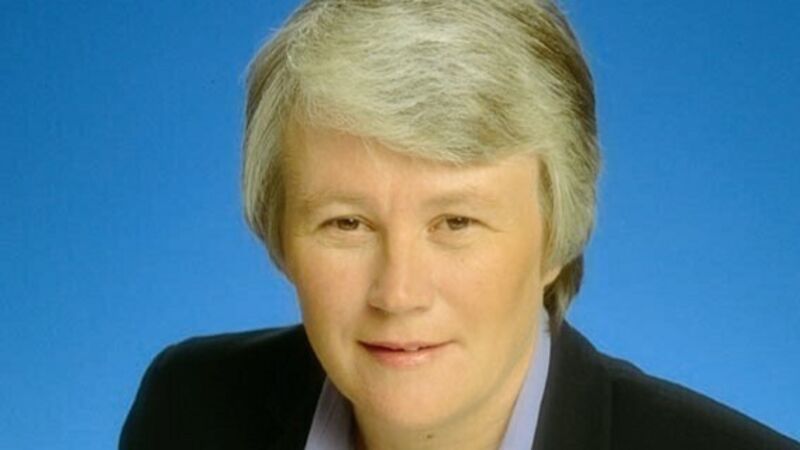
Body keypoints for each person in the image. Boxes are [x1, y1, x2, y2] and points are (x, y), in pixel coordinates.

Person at [120, 1, 798, 449]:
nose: (399, 293)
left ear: (555, 238)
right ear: (277, 236)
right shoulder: (188, 410)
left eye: (456, 221)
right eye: (347, 223)